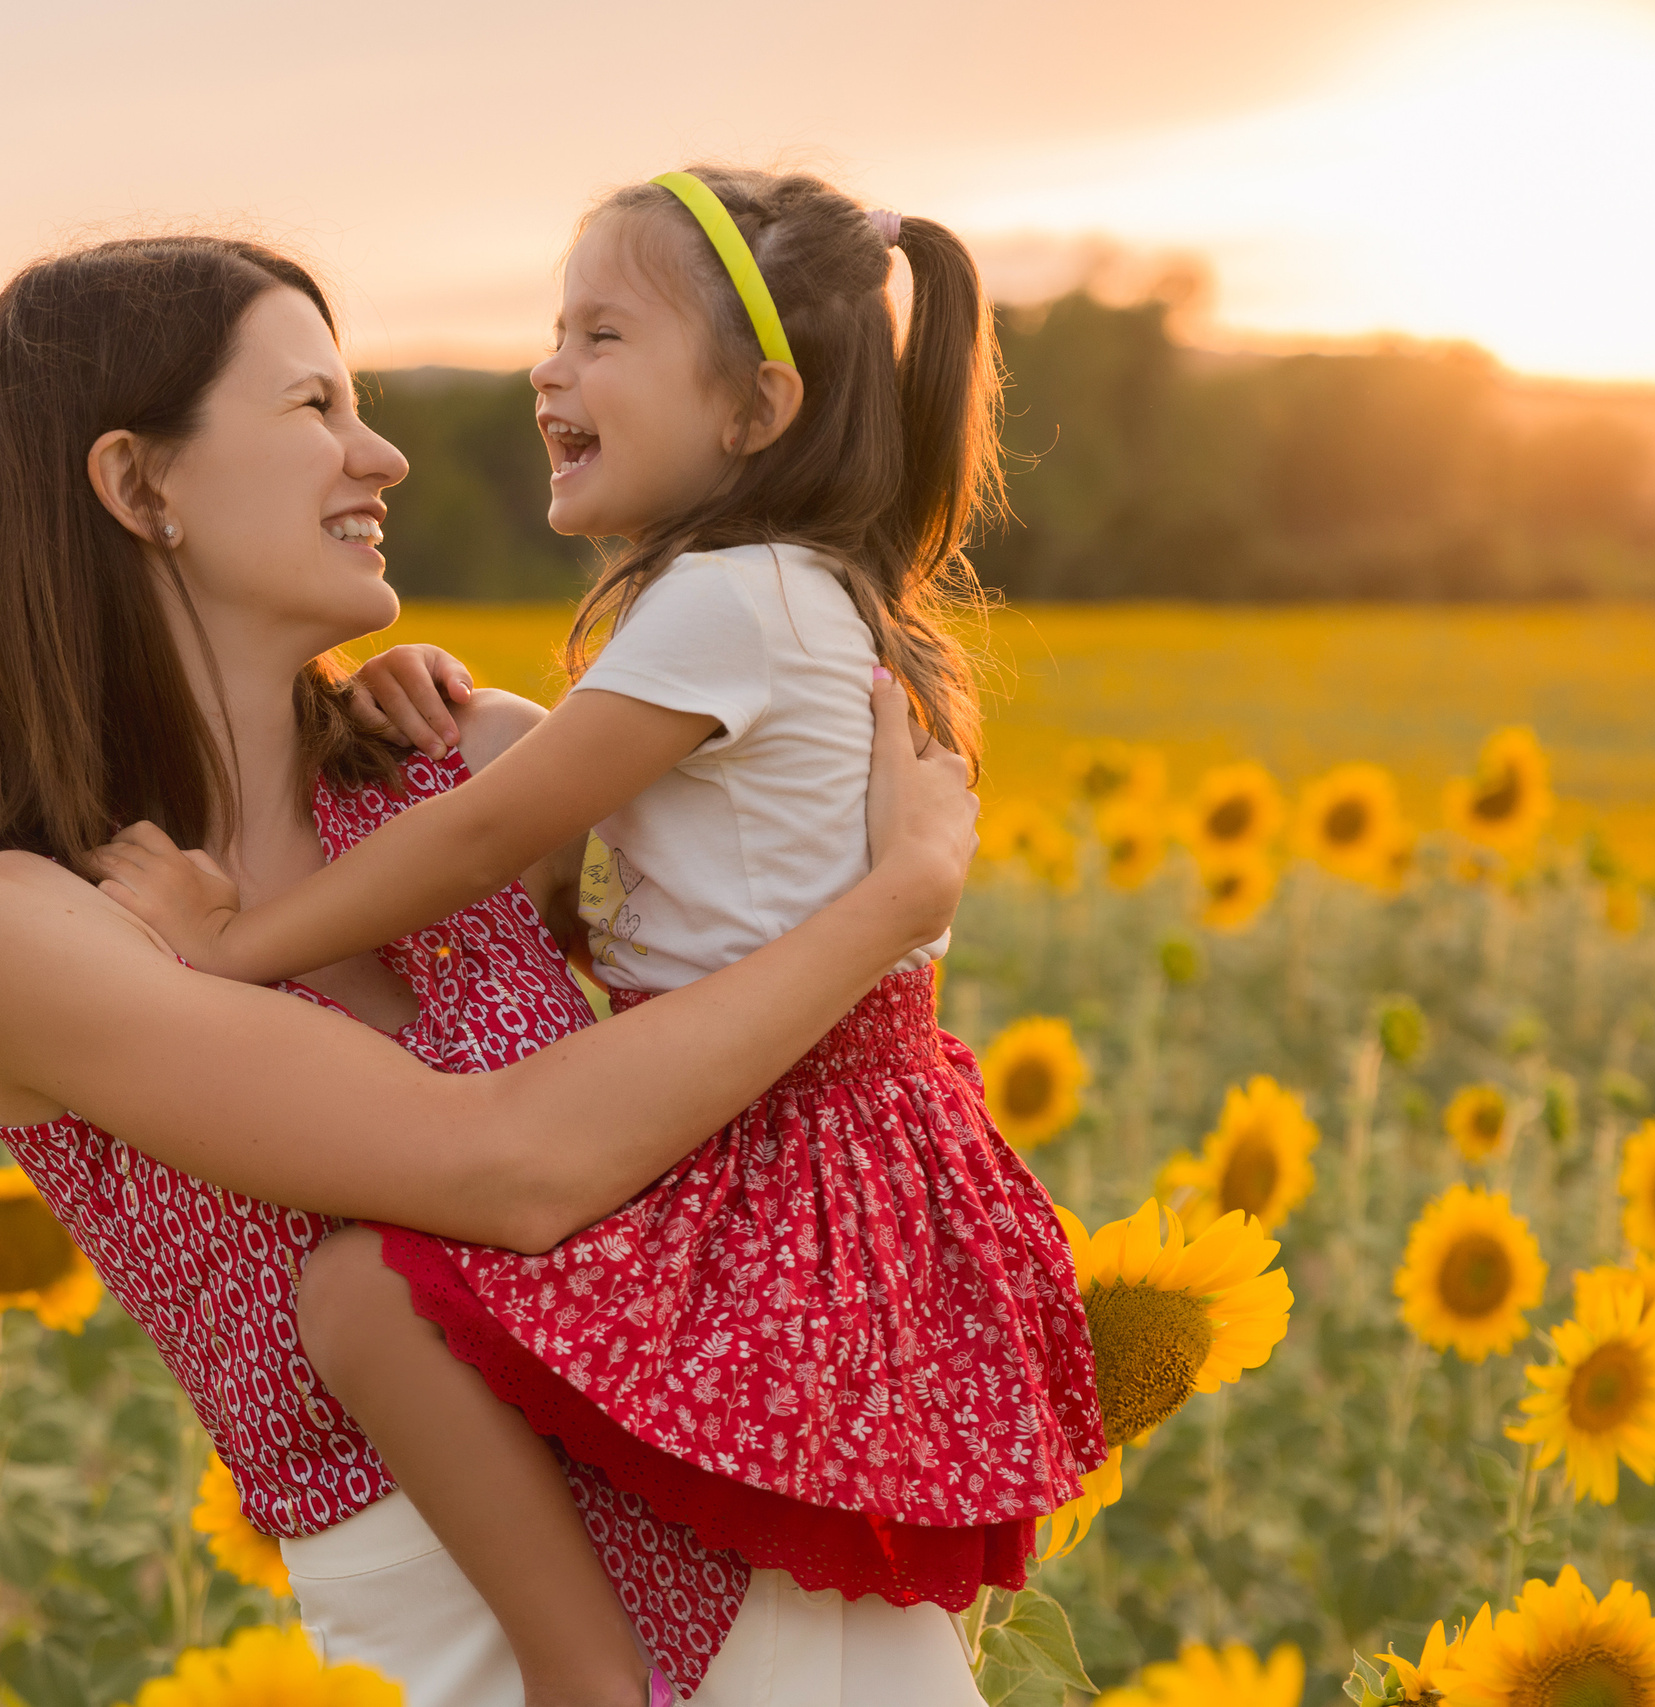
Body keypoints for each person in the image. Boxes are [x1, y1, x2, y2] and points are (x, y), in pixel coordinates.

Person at [0, 231, 990, 1706]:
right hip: (479, 1645)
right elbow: (511, 1171)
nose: (384, 456)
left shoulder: (474, 767)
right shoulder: (14, 920)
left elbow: (760, 1007)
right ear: (138, 484)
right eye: (315, 410)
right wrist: (893, 908)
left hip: (780, 1546)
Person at [113, 168, 1107, 1707]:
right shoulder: (783, 596)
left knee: (369, 1299)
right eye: (553, 330)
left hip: (775, 1125)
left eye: (603, 333)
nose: (547, 368)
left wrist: (227, 951)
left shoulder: (726, 602)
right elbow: (579, 877)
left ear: (755, 407)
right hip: (825, 1110)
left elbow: (490, 836)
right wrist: (410, 695)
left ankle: (583, 1679)